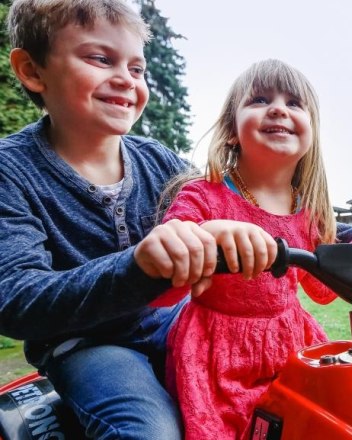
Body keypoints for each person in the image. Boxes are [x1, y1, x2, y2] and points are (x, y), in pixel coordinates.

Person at [151, 59, 352, 439]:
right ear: (230, 131)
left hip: (291, 343)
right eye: (259, 99)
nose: (278, 108)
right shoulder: (202, 194)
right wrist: (208, 232)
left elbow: (321, 288)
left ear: (311, 133)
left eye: (294, 103)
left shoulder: (306, 209)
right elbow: (168, 257)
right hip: (216, 353)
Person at [0, 1, 223, 438]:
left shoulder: (158, 160)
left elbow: (234, 207)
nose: (126, 79)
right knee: (149, 432)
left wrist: (348, 236)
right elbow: (16, 297)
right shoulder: (10, 172)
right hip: (86, 344)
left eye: (137, 69)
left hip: (177, 323)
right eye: (101, 59)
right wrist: (138, 267)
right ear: (32, 70)